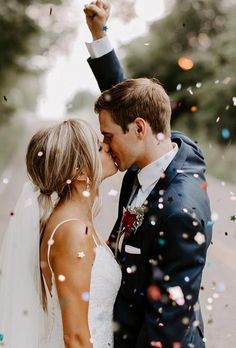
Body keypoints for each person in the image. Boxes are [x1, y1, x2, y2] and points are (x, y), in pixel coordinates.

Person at [84, 2, 212, 348]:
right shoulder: (162, 147)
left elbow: (164, 331)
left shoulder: (178, 212)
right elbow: (126, 101)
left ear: (139, 129)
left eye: (108, 137)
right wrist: (100, 35)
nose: (106, 147)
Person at [0, 119, 121, 348]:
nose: (107, 147)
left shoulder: (73, 222)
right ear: (80, 172)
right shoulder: (72, 231)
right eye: (98, 147)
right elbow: (75, 337)